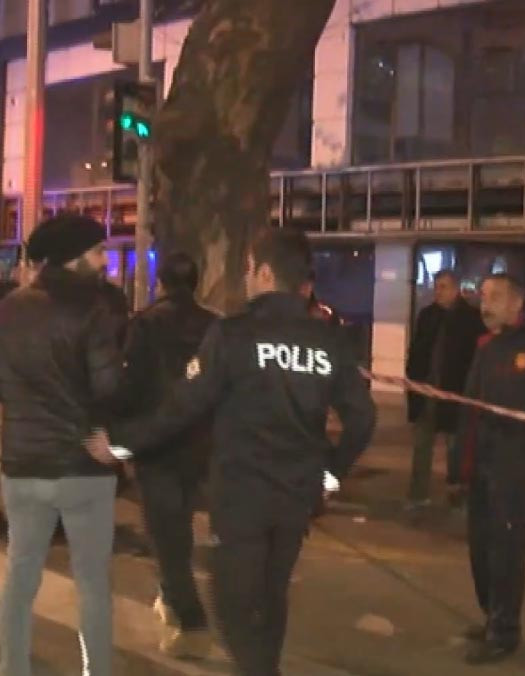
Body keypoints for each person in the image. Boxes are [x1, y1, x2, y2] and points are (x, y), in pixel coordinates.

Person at [85, 228, 376, 676]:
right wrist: (331, 474)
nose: (246, 278)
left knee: (233, 602)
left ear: (265, 273)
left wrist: (123, 441)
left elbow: (184, 406)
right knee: (271, 594)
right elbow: (362, 420)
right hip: (297, 495)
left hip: (242, 494)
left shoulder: (233, 334)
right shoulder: (329, 341)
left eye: (249, 269)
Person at [0, 215, 124, 676]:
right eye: (98, 251)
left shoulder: (10, 308)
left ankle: (13, 668)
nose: (105, 260)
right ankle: (95, 670)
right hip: (82, 465)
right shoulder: (94, 310)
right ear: (74, 258)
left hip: (23, 464)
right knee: (91, 583)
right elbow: (109, 389)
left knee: (20, 576)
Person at [456, 273, 525, 664]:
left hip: (515, 472)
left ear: (517, 303)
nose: (485, 304)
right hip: (481, 468)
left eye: (495, 297)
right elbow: (470, 410)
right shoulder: (484, 347)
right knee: (481, 552)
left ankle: (504, 632)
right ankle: (492, 615)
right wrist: (459, 464)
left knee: (506, 555)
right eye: (484, 296)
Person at [117, 252, 217, 657]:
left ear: (161, 283)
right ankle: (171, 597)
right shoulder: (215, 326)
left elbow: (129, 386)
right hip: (200, 441)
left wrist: (124, 437)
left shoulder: (145, 324)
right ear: (196, 282)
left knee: (166, 534)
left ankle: (189, 618)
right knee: (178, 525)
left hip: (157, 442)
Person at [405, 270, 485, 510]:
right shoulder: (428, 316)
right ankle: (418, 494)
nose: (438, 292)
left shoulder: (471, 319)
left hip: (454, 393)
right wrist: (414, 381)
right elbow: (417, 351)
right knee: (422, 445)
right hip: (426, 391)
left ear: (456, 288)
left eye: (443, 287)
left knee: (455, 446)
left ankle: (456, 491)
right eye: (436, 286)